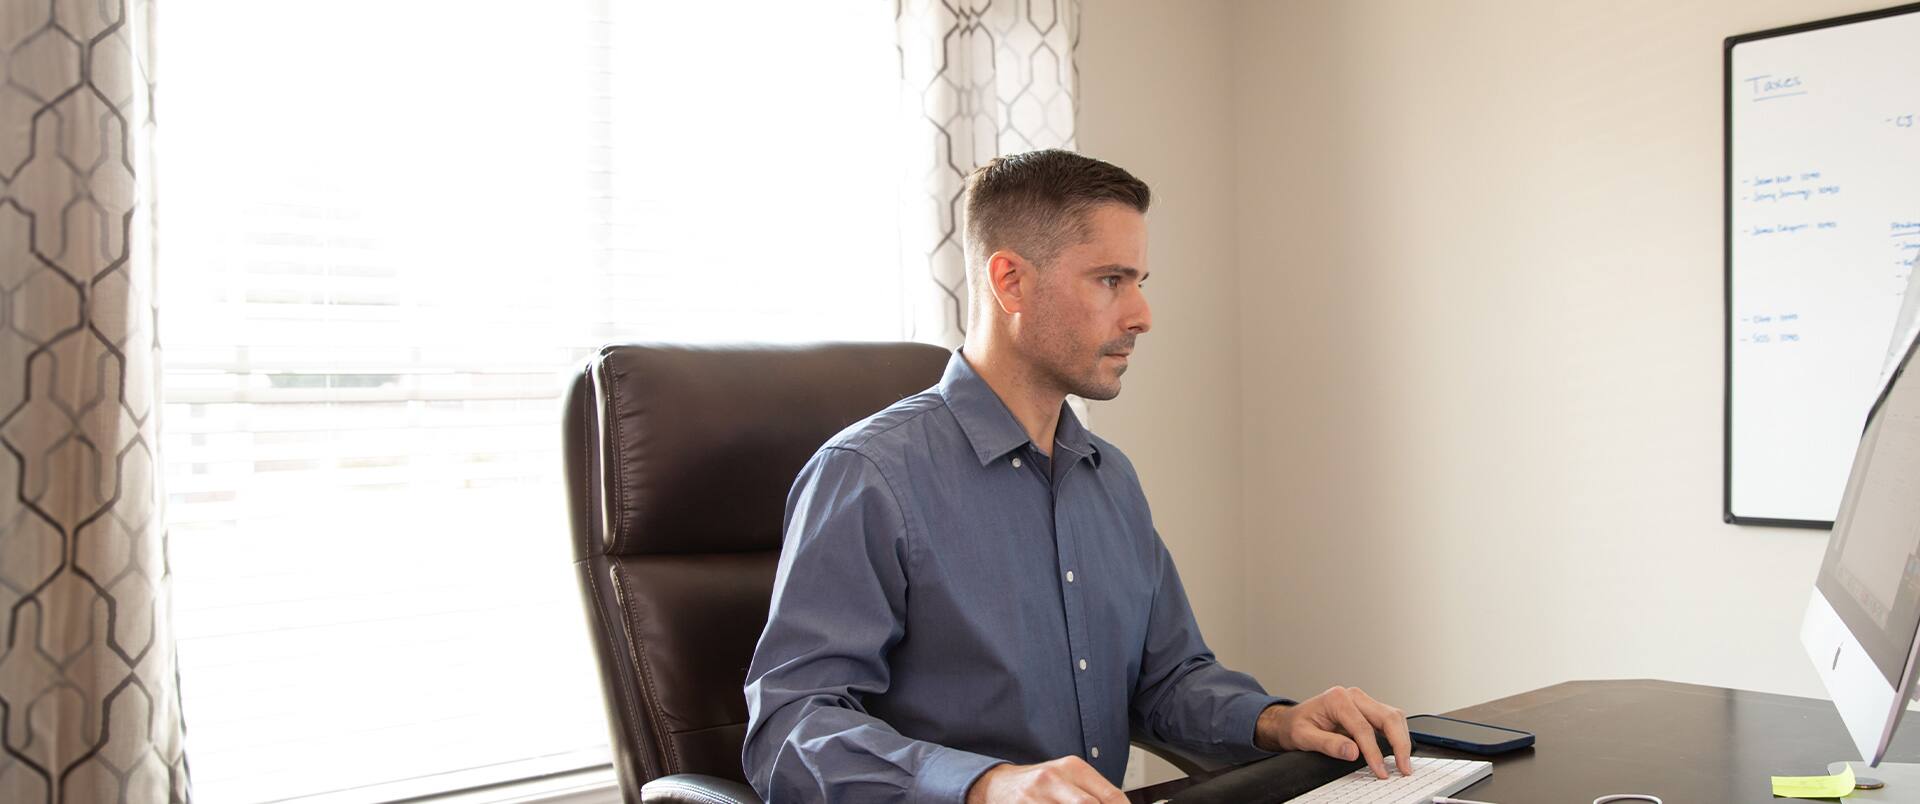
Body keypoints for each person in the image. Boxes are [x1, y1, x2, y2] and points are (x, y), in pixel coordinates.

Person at [741, 149, 1412, 803]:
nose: (1141, 316)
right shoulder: (869, 477)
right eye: (1110, 280)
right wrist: (983, 785)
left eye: (1140, 283)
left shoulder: (1109, 479)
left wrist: (1278, 722)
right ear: (1011, 282)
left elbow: (1168, 684)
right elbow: (791, 730)